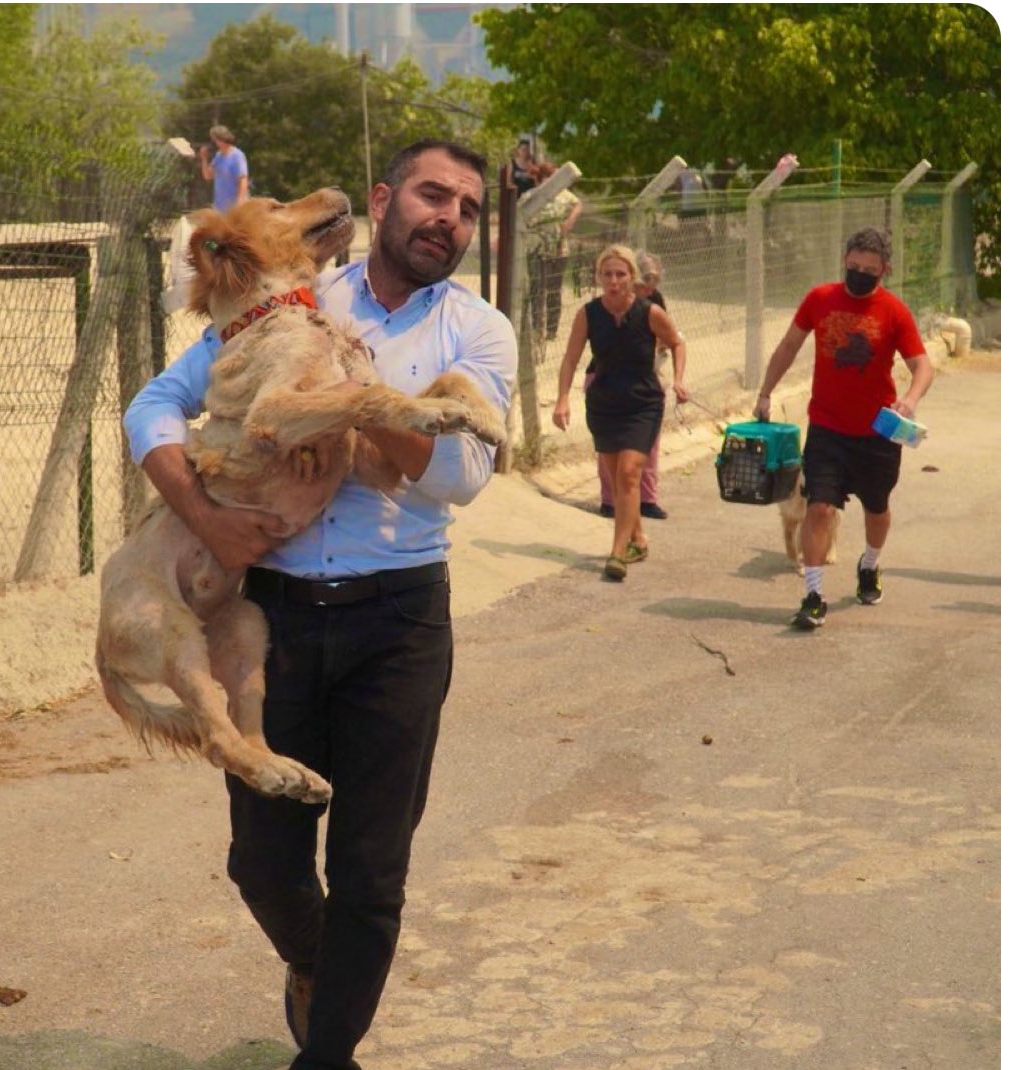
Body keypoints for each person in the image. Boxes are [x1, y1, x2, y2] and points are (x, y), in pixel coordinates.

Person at [122, 139, 517, 1070]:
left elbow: (459, 475)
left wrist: (350, 402)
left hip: (399, 621)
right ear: (383, 201)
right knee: (261, 861)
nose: (448, 218)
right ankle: (317, 963)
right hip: (275, 614)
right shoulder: (293, 298)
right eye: (432, 195)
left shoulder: (478, 330)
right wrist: (204, 519)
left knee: (372, 874)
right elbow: (155, 404)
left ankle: (327, 1053)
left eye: (466, 208)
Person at [753, 225, 932, 630]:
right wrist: (765, 392)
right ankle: (813, 596)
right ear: (844, 261)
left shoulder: (894, 311)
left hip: (877, 433)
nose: (859, 275)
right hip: (827, 427)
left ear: (884, 270)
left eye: (869, 270)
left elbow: (922, 365)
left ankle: (869, 565)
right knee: (819, 507)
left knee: (877, 509)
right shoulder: (820, 299)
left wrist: (911, 398)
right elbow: (788, 346)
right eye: (853, 266)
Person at [552, 244, 687, 581]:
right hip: (604, 403)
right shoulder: (588, 314)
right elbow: (570, 358)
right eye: (607, 274)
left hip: (643, 402)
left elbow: (677, 342)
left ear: (632, 277)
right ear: (598, 277)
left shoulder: (649, 312)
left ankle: (617, 552)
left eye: (620, 274)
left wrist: (679, 380)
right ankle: (638, 539)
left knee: (628, 473)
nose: (614, 281)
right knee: (618, 480)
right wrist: (562, 399)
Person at [595, 250, 670, 520]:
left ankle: (646, 498)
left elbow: (667, 336)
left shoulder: (654, 302)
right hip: (609, 379)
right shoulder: (609, 304)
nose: (649, 289)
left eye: (653, 283)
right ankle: (611, 500)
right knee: (610, 446)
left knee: (648, 444)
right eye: (644, 283)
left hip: (645, 379)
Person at [521, 161, 582, 341]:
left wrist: (569, 222)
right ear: (542, 179)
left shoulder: (565, 195)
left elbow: (578, 204)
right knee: (537, 290)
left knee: (554, 290)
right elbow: (518, 215)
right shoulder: (530, 196)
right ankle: (537, 328)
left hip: (559, 249)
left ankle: (551, 330)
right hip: (536, 249)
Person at [199, 124, 250, 211]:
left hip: (234, 206)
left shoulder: (237, 156)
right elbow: (208, 176)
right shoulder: (219, 156)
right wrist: (204, 159)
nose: (213, 143)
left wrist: (240, 203)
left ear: (221, 139)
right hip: (220, 207)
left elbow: (243, 180)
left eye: (214, 140)